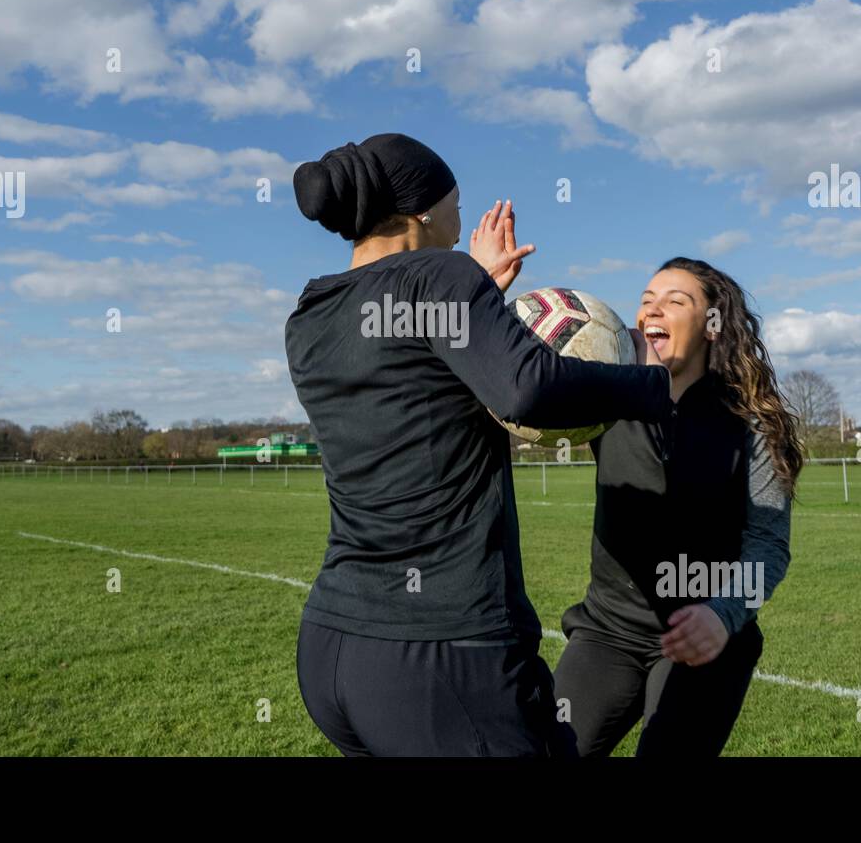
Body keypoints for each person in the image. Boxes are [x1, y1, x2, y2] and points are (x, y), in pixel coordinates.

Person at [284, 132, 672, 756]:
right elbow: (526, 390)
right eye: (456, 205)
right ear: (423, 214)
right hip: (442, 652)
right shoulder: (440, 274)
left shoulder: (312, 311)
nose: (462, 221)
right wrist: (656, 383)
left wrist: (481, 290)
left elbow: (413, 379)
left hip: (334, 645)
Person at [552, 257, 803, 757]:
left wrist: (722, 614)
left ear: (713, 325)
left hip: (706, 636)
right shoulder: (610, 394)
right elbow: (524, 388)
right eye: (646, 301)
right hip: (608, 632)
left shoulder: (750, 422)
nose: (652, 311)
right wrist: (486, 295)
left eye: (675, 301)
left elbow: (768, 544)